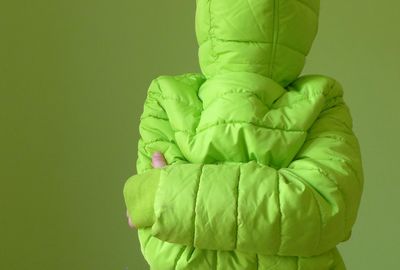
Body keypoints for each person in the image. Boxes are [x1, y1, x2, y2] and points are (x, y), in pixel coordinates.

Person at [123, 0, 364, 269]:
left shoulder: (168, 98)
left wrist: (170, 197)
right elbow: (162, 247)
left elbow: (323, 211)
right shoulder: (323, 100)